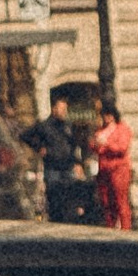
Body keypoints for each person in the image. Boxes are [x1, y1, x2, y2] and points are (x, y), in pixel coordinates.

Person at [38, 96, 82, 225]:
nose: (64, 112)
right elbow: (26, 135)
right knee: (54, 198)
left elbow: (74, 145)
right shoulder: (45, 126)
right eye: (61, 109)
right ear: (54, 109)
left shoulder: (68, 126)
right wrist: (39, 148)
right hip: (53, 168)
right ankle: (55, 224)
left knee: (69, 197)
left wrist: (77, 163)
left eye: (65, 109)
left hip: (67, 167)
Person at [94, 100, 135, 233]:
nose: (107, 118)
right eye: (104, 115)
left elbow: (122, 148)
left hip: (119, 170)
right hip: (104, 170)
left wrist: (106, 145)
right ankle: (110, 229)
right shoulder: (101, 130)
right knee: (106, 202)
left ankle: (125, 229)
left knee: (120, 201)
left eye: (109, 114)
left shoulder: (122, 129)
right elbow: (94, 146)